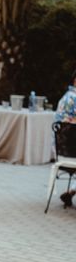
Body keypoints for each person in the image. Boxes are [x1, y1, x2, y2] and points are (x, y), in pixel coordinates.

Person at [56, 69, 76, 206]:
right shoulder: (73, 98)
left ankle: (71, 192)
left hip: (61, 150)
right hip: (70, 150)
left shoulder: (67, 96)